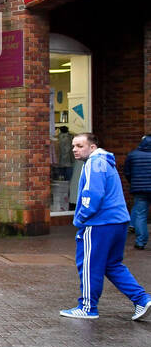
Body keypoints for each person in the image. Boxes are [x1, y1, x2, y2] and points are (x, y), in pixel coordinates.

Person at [60, 132, 150, 321]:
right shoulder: (105, 162)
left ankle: (87, 307)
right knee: (113, 265)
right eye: (74, 146)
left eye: (80, 146)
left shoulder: (94, 163)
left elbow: (92, 195)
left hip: (99, 224)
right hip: (118, 221)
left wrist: (80, 219)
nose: (75, 149)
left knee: (89, 265)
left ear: (92, 147)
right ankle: (142, 299)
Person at [124, 134, 151, 250]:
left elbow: (127, 172)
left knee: (140, 215)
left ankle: (140, 242)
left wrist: (134, 182)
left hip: (139, 189)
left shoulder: (132, 155)